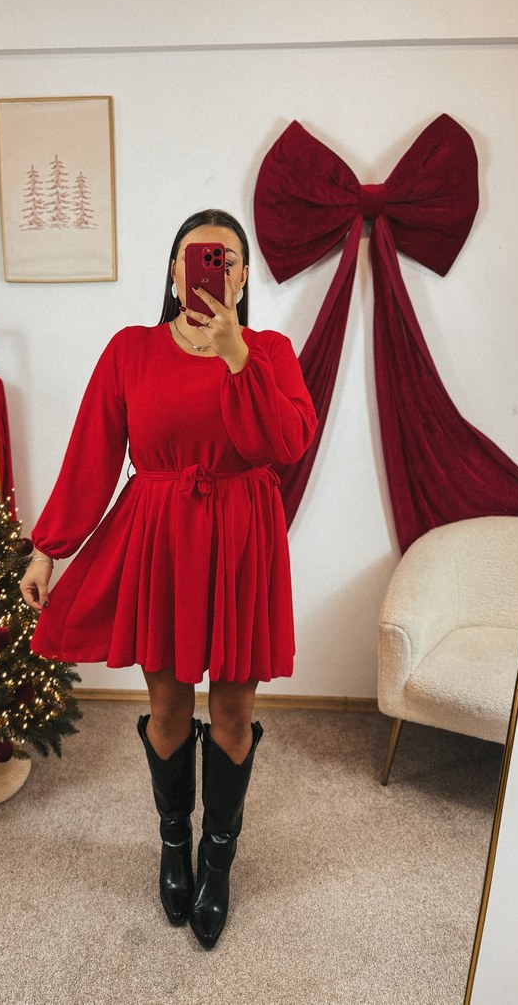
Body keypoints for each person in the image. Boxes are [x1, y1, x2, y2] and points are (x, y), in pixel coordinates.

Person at [19, 209, 317, 949]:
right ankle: (173, 843)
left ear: (241, 278)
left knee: (234, 711)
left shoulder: (271, 352)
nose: (212, 268)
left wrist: (236, 357)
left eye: (227, 259)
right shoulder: (132, 349)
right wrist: (48, 547)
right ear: (174, 272)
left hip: (242, 539)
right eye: (196, 256)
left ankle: (217, 860)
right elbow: (92, 451)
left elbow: (285, 443)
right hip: (162, 540)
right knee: (168, 704)